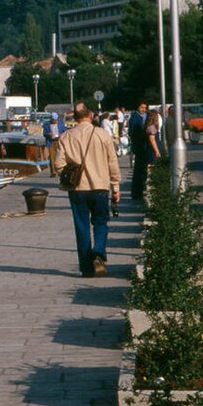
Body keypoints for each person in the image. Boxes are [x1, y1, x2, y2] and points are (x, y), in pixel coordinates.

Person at [50, 103, 121, 277]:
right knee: (101, 222)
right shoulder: (102, 135)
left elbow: (58, 164)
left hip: (77, 188)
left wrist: (69, 174)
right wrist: (116, 186)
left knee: (81, 226)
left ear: (74, 117)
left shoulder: (66, 137)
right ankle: (98, 252)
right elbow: (113, 162)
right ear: (90, 114)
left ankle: (86, 268)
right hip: (100, 187)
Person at [127, 101, 149, 200]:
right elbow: (133, 132)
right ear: (138, 107)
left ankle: (138, 192)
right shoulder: (135, 118)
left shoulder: (141, 116)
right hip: (139, 146)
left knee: (140, 170)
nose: (143, 109)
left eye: (145, 107)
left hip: (140, 146)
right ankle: (136, 193)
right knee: (138, 171)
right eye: (141, 107)